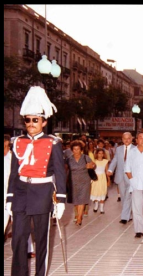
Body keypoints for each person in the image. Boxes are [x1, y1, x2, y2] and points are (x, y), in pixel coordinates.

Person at [6, 86, 66, 276]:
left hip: (42, 193)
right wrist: (9, 198)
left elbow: (59, 172)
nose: (31, 123)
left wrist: (61, 200)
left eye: (35, 120)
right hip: (21, 193)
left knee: (41, 241)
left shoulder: (53, 142)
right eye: (28, 120)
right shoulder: (17, 142)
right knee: (18, 240)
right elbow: (13, 172)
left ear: (43, 121)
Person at [107, 132, 135, 224]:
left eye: (128, 138)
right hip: (120, 176)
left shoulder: (136, 149)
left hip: (131, 176)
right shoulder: (118, 149)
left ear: (131, 139)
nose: (127, 140)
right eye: (124, 138)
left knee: (128, 196)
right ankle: (128, 215)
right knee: (123, 196)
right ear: (122, 139)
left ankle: (124, 217)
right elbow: (115, 160)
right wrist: (110, 169)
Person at [66, 140, 95, 225]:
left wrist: (91, 165)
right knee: (75, 199)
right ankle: (78, 214)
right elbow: (65, 169)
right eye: (74, 149)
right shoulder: (69, 159)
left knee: (82, 199)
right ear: (72, 150)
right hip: (73, 181)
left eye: (78, 149)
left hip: (84, 180)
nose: (76, 151)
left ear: (81, 149)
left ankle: (79, 218)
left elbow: (93, 164)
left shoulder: (85, 157)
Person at [90, 148, 110, 214]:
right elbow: (91, 171)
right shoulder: (94, 161)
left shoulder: (105, 161)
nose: (100, 155)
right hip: (95, 179)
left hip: (102, 178)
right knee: (95, 191)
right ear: (97, 154)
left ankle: (101, 208)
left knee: (102, 191)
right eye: (99, 153)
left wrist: (108, 179)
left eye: (102, 153)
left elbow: (107, 171)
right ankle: (96, 205)